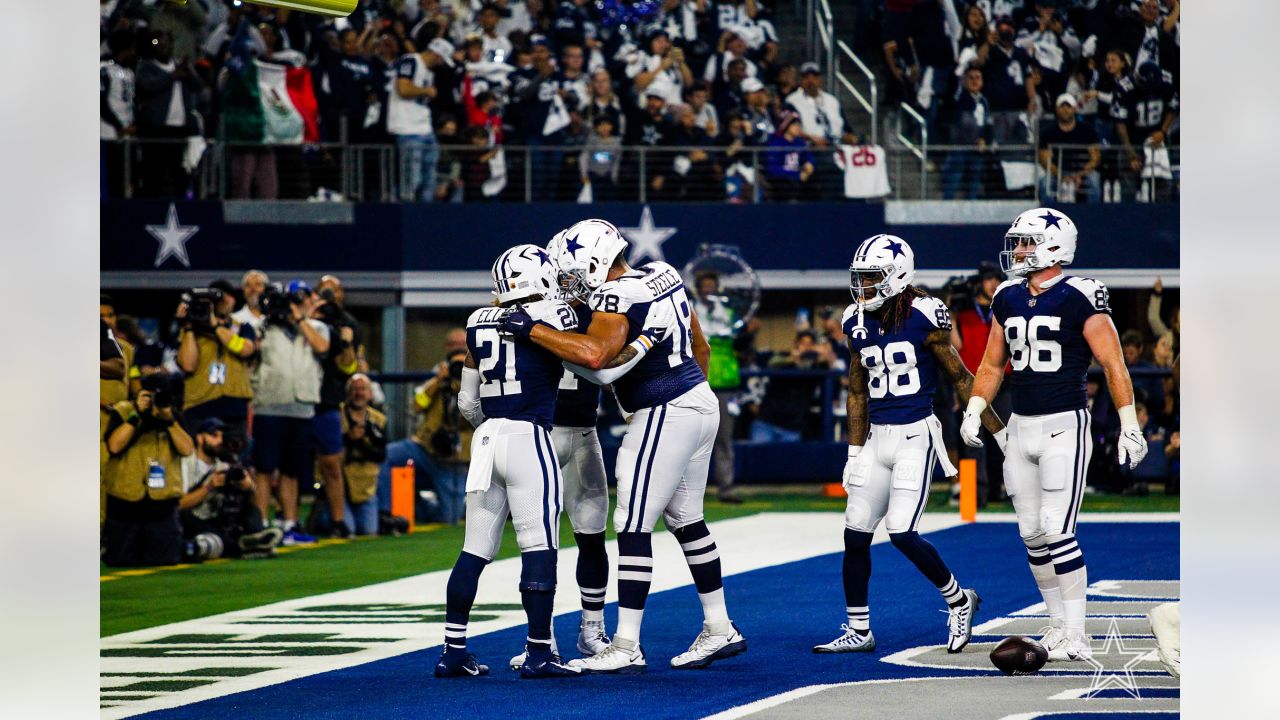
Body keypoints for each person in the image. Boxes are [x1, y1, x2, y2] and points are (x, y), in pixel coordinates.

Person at [499, 219, 747, 673]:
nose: (567, 281)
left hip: (665, 409)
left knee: (632, 524)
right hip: (699, 401)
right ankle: (719, 627)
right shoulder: (664, 273)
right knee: (687, 520)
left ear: (595, 262)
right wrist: (686, 398)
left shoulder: (617, 295)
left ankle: (626, 643)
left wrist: (532, 330)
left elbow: (595, 356)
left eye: (572, 270)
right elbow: (701, 346)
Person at [960, 207, 1148, 662]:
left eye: (1026, 242)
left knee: (1056, 530)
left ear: (1053, 247)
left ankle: (1078, 633)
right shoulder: (1006, 296)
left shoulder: (1081, 295)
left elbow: (1113, 363)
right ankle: (1058, 624)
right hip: (1020, 426)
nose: (1018, 250)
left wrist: (1129, 425)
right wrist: (975, 408)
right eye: (1018, 242)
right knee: (1030, 533)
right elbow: (990, 363)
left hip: (1065, 423)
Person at [815, 234, 1004, 655]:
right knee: (855, 535)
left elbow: (960, 376)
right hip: (876, 438)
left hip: (915, 435)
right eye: (860, 278)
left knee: (901, 532)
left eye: (872, 278)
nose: (862, 287)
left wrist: (1000, 433)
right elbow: (857, 390)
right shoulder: (855, 320)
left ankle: (959, 599)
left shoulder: (924, 313)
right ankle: (859, 629)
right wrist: (853, 450)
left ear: (897, 277)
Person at [435, 244, 586, 680]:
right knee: (539, 545)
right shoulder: (555, 316)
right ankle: (540, 652)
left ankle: (453, 649)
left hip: (486, 438)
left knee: (474, 549)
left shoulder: (476, 321)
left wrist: (492, 425)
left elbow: (467, 401)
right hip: (528, 435)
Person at [506, 230, 618, 670]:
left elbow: (608, 363)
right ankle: (543, 637)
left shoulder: (594, 311)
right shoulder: (527, 317)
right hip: (543, 433)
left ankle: (591, 629)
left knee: (590, 537)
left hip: (580, 431)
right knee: (545, 542)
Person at [252, 281, 330, 545]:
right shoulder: (263, 326)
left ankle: (289, 524)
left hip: (302, 408)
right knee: (264, 468)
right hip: (269, 405)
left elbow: (321, 347)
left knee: (291, 470)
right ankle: (262, 523)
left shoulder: (317, 326)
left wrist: (299, 318)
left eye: (300, 300)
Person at [102, 375, 194, 566]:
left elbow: (187, 449)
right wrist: (136, 414)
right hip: (125, 504)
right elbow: (114, 446)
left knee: (165, 562)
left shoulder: (172, 414)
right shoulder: (124, 411)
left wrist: (169, 420)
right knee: (121, 561)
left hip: (162, 507)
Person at [179, 418, 282, 560]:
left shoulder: (226, 465)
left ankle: (254, 538)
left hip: (217, 519)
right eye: (214, 435)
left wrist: (248, 487)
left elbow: (253, 501)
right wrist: (209, 487)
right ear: (200, 438)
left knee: (251, 510)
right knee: (186, 517)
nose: (220, 441)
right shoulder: (184, 463)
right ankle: (244, 547)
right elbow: (179, 505)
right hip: (195, 519)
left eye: (222, 436)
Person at [950, 262, 1009, 506]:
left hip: (1005, 381)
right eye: (988, 279)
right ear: (979, 283)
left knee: (1006, 438)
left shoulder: (1006, 308)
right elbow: (957, 346)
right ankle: (974, 496)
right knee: (972, 441)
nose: (993, 283)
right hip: (971, 383)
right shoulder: (964, 314)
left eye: (997, 278)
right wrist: (951, 311)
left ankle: (1004, 489)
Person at [176, 280, 256, 458]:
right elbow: (188, 364)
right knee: (195, 459)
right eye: (218, 296)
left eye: (228, 296)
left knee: (234, 462)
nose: (223, 300)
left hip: (234, 406)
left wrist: (215, 327)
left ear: (235, 301)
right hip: (199, 404)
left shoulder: (242, 327)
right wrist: (188, 328)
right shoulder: (193, 328)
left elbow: (245, 350)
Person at [693, 271, 747, 504]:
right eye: (705, 286)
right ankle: (688, 492)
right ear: (698, 289)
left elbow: (741, 344)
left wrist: (748, 333)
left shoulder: (730, 314)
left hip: (727, 383)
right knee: (691, 441)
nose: (709, 290)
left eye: (712, 286)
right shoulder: (689, 311)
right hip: (696, 382)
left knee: (725, 439)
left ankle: (726, 488)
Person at [389, 39, 450, 202]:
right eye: (441, 58)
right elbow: (402, 88)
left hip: (425, 128)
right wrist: (426, 91)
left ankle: (424, 216)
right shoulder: (410, 61)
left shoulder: (429, 72)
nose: (441, 63)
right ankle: (403, 213)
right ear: (436, 54)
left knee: (429, 179)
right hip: (407, 129)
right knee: (411, 179)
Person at [750, 330, 827, 443]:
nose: (805, 347)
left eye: (810, 344)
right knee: (759, 459)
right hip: (767, 422)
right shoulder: (784, 356)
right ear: (796, 344)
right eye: (803, 343)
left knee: (787, 460)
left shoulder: (816, 365)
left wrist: (820, 353)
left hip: (792, 427)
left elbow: (830, 363)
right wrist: (793, 359)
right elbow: (771, 362)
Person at [336, 374, 387, 536]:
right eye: (354, 389)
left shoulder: (379, 420)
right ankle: (323, 514)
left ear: (370, 394)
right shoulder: (337, 416)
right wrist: (349, 439)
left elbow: (381, 455)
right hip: (341, 484)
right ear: (348, 393)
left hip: (366, 485)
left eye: (363, 389)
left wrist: (359, 442)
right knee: (348, 530)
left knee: (369, 530)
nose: (359, 394)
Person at [1038, 94, 1101, 203]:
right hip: (1057, 172)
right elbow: (1045, 160)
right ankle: (1049, 215)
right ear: (1057, 109)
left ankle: (1092, 215)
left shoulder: (1087, 130)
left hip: (1082, 172)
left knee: (1094, 180)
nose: (1065, 110)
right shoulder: (1047, 132)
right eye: (1062, 106)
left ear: (1074, 109)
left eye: (1069, 106)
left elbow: (1095, 158)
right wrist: (1061, 176)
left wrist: (1079, 175)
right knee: (1044, 183)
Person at [942, 66, 993, 200]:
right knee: (953, 181)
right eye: (971, 78)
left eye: (978, 78)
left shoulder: (984, 101)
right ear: (964, 80)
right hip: (960, 148)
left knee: (974, 183)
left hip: (977, 150)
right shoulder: (959, 98)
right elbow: (961, 122)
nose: (974, 81)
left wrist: (984, 139)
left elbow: (988, 124)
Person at [764, 112, 813, 203]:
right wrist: (797, 175)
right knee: (787, 185)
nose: (798, 127)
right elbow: (772, 168)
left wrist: (809, 163)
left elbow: (808, 156)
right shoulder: (776, 143)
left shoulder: (800, 142)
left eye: (799, 125)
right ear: (786, 126)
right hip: (782, 180)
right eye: (794, 125)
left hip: (799, 177)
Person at [231, 269, 270, 336]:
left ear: (265, 289)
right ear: (243, 290)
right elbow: (233, 336)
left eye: (257, 285)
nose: (253, 289)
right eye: (248, 285)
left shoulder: (274, 316)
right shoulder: (235, 318)